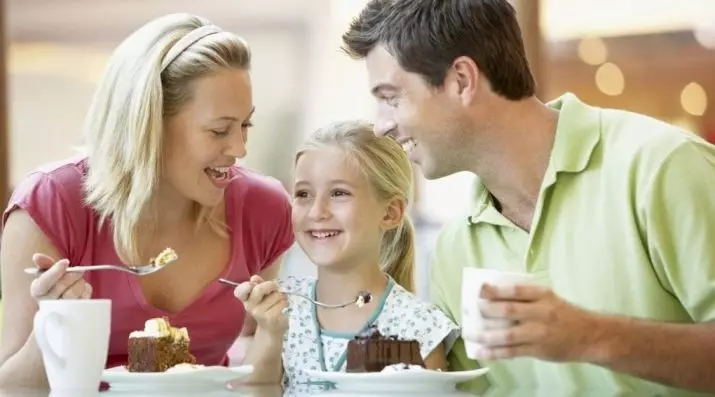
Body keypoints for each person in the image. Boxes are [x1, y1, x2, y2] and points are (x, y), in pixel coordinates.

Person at [341, 0, 715, 395]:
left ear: (462, 81)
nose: (382, 127)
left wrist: (590, 336)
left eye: (391, 97)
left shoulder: (662, 168)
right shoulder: (457, 247)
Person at [0, 13, 294, 388]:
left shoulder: (262, 209)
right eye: (220, 130)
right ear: (148, 123)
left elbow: (259, 379)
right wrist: (55, 322)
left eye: (245, 125)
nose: (239, 148)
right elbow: (11, 388)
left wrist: (274, 329)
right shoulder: (51, 204)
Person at [234, 120, 459, 387]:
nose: (317, 211)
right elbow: (251, 393)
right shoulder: (282, 309)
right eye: (303, 193)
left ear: (390, 213)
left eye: (339, 193)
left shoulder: (420, 327)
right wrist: (270, 334)